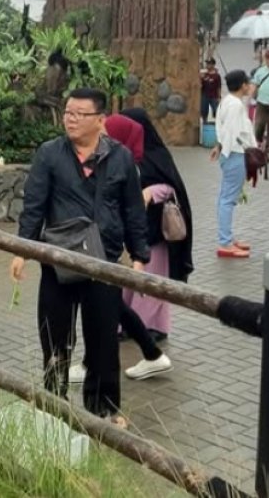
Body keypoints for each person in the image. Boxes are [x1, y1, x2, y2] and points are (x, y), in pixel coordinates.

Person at [10, 88, 149, 423]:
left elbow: (133, 209)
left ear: (100, 119)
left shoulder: (120, 158)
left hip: (104, 262)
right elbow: (34, 204)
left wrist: (139, 255)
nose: (69, 119)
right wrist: (22, 250)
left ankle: (104, 408)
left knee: (103, 339)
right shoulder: (50, 154)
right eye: (67, 112)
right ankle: (54, 406)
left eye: (78, 113)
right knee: (55, 337)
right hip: (59, 260)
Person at [68, 115, 173, 386]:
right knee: (109, 301)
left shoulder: (125, 162)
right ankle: (150, 352)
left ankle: (95, 364)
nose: (100, 132)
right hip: (103, 243)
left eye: (105, 128)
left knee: (104, 301)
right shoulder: (109, 158)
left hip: (112, 244)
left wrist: (137, 253)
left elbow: (128, 208)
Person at [122, 107, 194, 340]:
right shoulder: (119, 153)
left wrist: (150, 192)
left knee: (152, 280)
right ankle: (124, 324)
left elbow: (172, 187)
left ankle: (151, 327)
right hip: (128, 230)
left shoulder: (156, 154)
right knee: (124, 281)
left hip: (154, 229)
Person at [212, 70, 257, 258]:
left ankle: (227, 238)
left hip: (231, 153)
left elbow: (223, 128)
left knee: (226, 197)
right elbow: (231, 131)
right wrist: (226, 151)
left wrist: (219, 147)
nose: (250, 85)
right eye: (247, 82)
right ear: (243, 85)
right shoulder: (235, 105)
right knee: (228, 199)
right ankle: (225, 242)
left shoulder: (229, 101)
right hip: (235, 154)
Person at [200, 58, 222, 123]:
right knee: (204, 111)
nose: (207, 65)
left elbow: (219, 86)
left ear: (213, 65)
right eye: (207, 64)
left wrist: (219, 96)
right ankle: (204, 122)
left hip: (214, 95)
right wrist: (200, 77)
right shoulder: (203, 74)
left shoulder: (217, 76)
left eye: (209, 64)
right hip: (204, 95)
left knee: (216, 111)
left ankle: (218, 123)